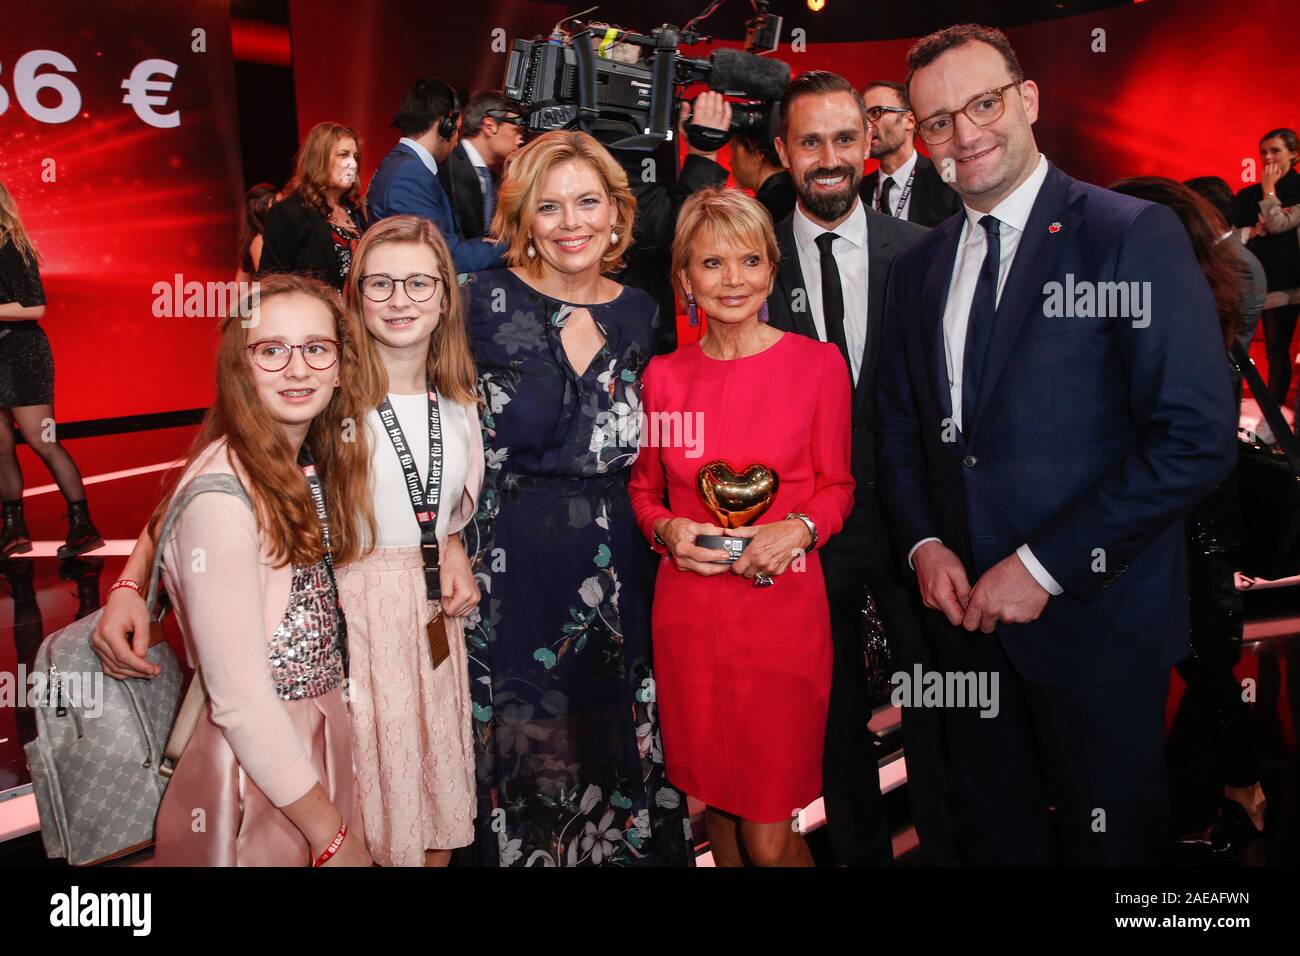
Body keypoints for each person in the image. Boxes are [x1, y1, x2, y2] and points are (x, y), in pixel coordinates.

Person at [875, 24, 1237, 865]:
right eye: (938, 122)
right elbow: (897, 425)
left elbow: (1193, 437)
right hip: (962, 629)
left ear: (1028, 99)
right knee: (994, 842)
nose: (965, 134)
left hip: (1097, 623)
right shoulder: (918, 267)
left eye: (984, 104)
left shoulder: (1128, 234)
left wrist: (1040, 568)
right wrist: (925, 544)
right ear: (918, 139)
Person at [93, 220, 487, 868]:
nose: (399, 299)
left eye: (419, 282)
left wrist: (451, 546)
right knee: (366, 820)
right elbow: (192, 499)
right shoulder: (335, 399)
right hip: (348, 633)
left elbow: (439, 509)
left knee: (432, 810)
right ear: (355, 295)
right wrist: (133, 583)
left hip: (428, 625)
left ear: (447, 294)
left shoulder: (458, 398)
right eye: (379, 283)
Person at [460, 130, 689, 867]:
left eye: (588, 202)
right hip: (510, 564)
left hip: (619, 565)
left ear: (617, 213)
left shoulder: (642, 314)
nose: (572, 223)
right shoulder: (480, 301)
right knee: (531, 751)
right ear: (522, 217)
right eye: (549, 206)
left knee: (616, 739)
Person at [628, 187, 854, 865]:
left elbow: (840, 487)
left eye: (750, 261)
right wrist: (666, 531)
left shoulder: (818, 366)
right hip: (690, 620)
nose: (733, 281)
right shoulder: (663, 379)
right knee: (718, 813)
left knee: (766, 829)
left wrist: (802, 527)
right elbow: (644, 491)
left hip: (782, 620)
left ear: (772, 268)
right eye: (711, 264)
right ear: (684, 279)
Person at [767, 70, 951, 866]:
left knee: (940, 707)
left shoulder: (922, 252)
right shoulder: (749, 258)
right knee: (836, 718)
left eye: (846, 138)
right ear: (784, 151)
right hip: (808, 531)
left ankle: (950, 850)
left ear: (870, 141)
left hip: (915, 524)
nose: (831, 157)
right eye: (811, 142)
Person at [148, 273, 374, 866]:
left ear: (341, 365)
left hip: (312, 731)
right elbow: (244, 699)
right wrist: (331, 835)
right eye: (271, 350)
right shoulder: (223, 495)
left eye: (315, 348)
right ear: (239, 366)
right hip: (263, 760)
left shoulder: (301, 461)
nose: (297, 369)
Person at [1111, 176, 1268, 861]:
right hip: (1189, 523)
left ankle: (1239, 795)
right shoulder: (1200, 302)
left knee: (1201, 667)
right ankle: (1232, 791)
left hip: (1187, 526)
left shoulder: (1180, 316)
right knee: (1199, 669)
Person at [0, 181, 102, 560]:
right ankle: (13, 530)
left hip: (21, 354)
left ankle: (83, 525)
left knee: (41, 440)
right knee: (0, 448)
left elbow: (35, 307)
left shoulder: (11, 244)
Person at [367, 77, 504, 274]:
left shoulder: (404, 167)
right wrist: (512, 247)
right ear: (444, 125)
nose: (457, 140)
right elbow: (443, 256)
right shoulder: (408, 173)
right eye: (458, 128)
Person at [1186, 175, 1268, 401]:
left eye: (1186, 212)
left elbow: (1219, 336)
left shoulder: (1239, 265)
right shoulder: (1214, 254)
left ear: (1208, 215)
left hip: (1211, 388)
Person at [1233, 128, 1300, 402]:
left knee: (1278, 350)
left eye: (1276, 150)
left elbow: (1276, 224)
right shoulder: (1247, 194)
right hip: (1254, 281)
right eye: (1264, 151)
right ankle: (1256, 412)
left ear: (1294, 154)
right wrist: (1255, 231)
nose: (1268, 157)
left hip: (1290, 282)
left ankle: (1277, 421)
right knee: (1257, 350)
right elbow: (1233, 235)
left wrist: (1269, 190)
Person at [260, 122, 367, 292]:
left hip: (360, 315)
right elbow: (270, 283)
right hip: (315, 314)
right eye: (343, 155)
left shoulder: (356, 211)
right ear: (319, 159)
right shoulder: (289, 212)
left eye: (355, 156)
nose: (352, 164)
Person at [678, 91, 797, 224]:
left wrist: (702, 154)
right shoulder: (796, 198)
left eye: (733, 150)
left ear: (759, 154)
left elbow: (692, 229)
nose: (730, 161)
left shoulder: (762, 214)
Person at [858, 80, 962, 227]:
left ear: (910, 121)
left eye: (875, 112)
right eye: (863, 118)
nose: (867, 125)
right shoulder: (858, 189)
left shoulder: (946, 176)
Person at [445, 93, 525, 240]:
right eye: (517, 130)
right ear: (490, 126)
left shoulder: (494, 180)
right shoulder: (446, 168)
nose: (521, 139)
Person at [236, 182, 278, 284]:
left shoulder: (257, 238)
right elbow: (269, 281)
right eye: (278, 204)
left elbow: (240, 281)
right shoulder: (259, 241)